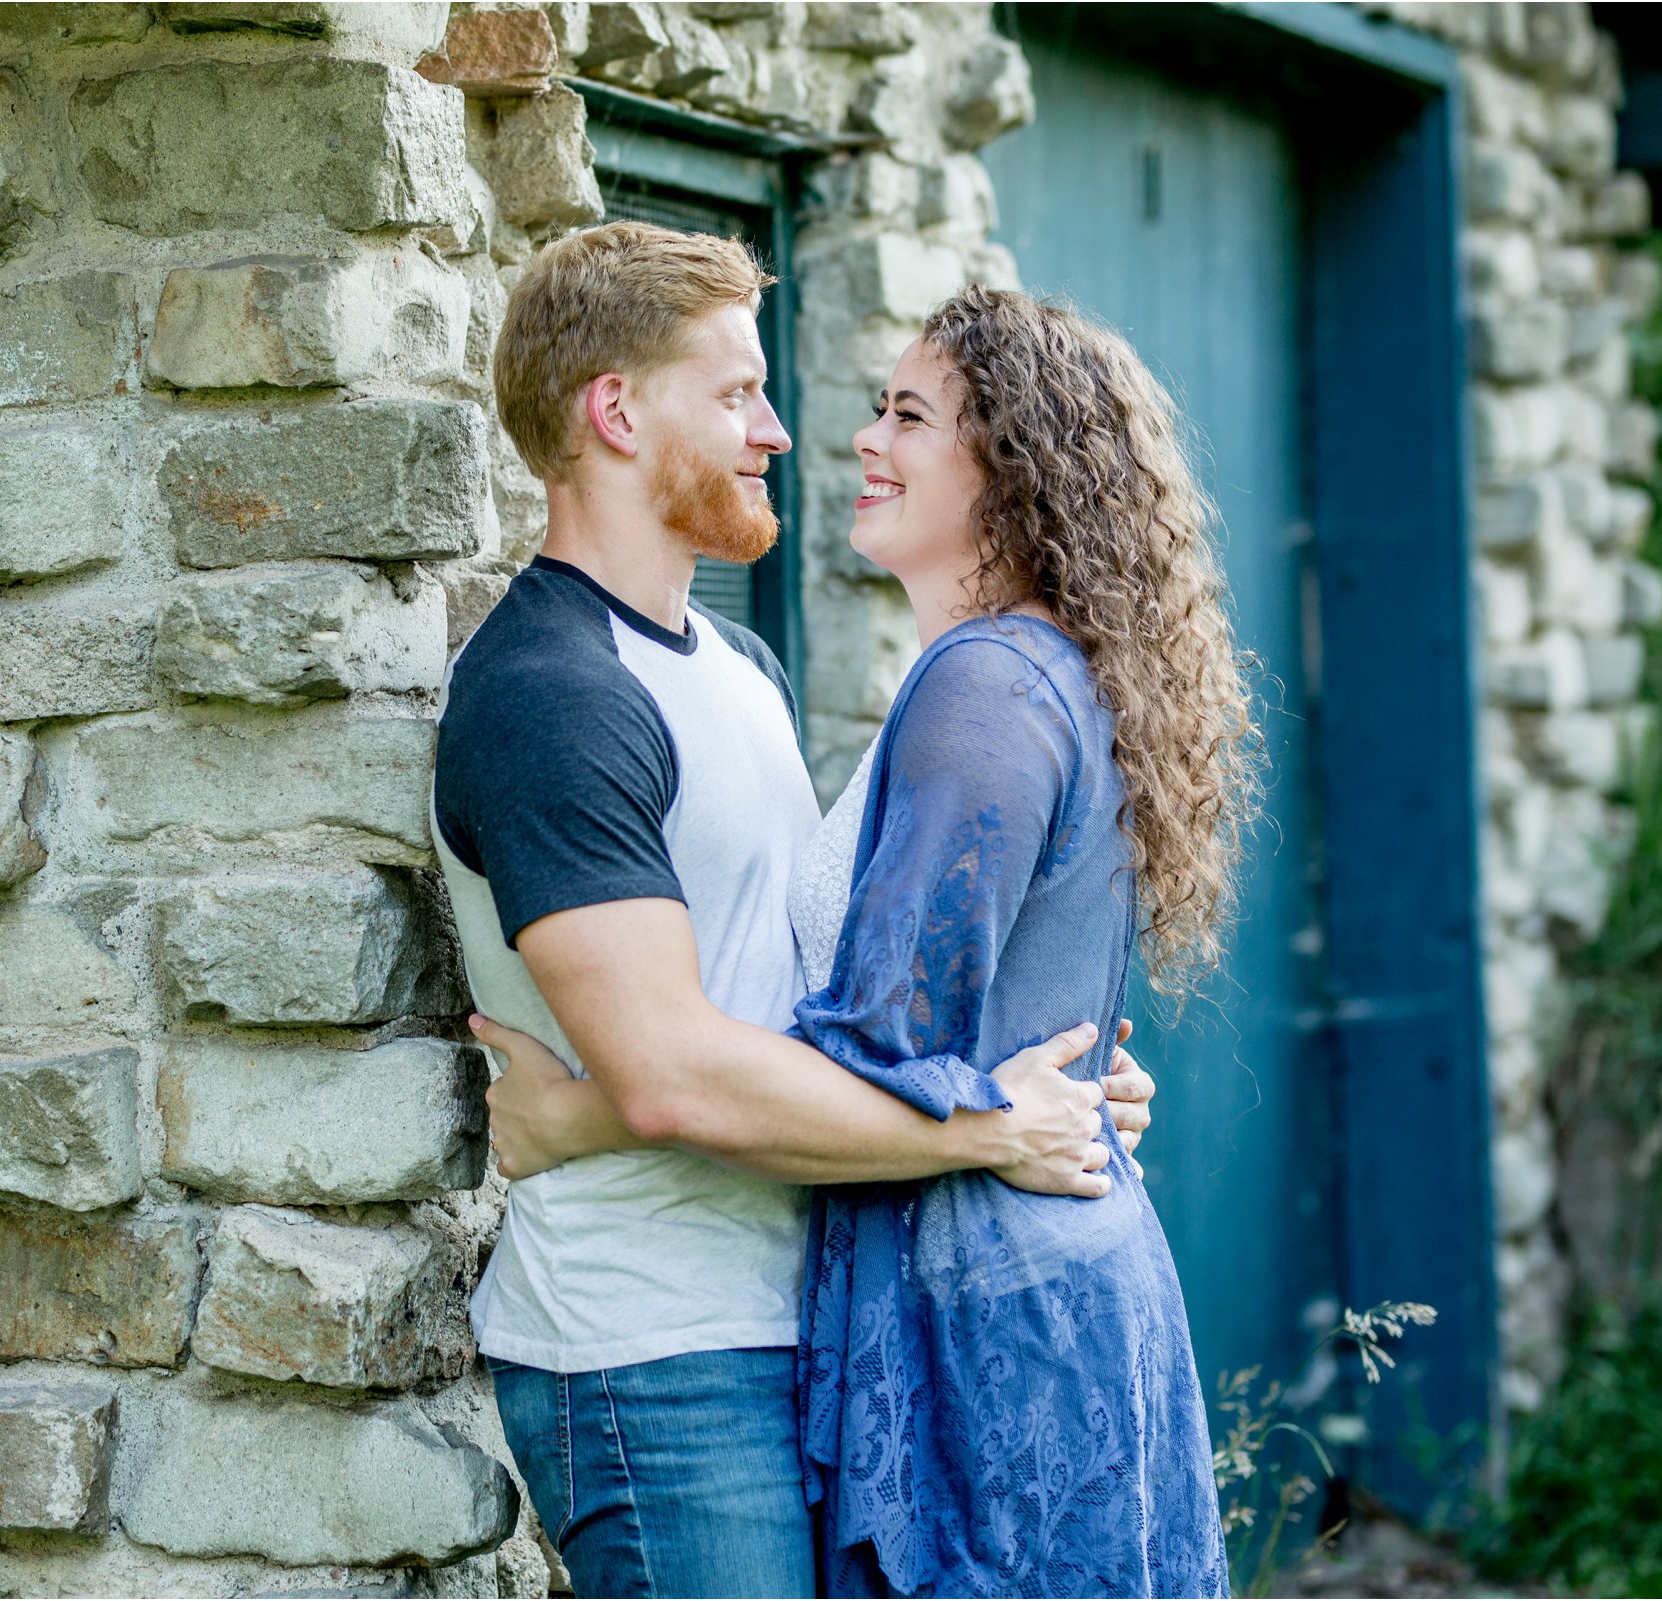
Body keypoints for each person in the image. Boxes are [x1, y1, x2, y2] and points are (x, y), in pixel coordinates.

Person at [478, 285, 1252, 1597]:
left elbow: (889, 1047)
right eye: (742, 394)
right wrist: (1016, 1097)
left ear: (1010, 459)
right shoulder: (997, 676)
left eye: (907, 412)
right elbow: (928, 1038)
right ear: (613, 412)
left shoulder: (980, 684)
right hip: (764, 1313)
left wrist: (592, 1114)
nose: (824, 435)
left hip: (985, 1301)